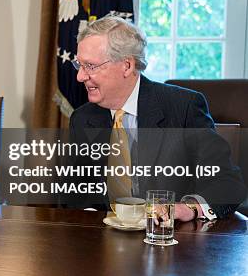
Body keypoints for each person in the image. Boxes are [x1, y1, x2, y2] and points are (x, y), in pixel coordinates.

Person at [67, 16, 246, 220]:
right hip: (103, 242)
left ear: (126, 66)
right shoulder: (82, 119)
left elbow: (228, 183)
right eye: (79, 65)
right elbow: (76, 192)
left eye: (90, 66)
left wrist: (188, 208)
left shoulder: (183, 107)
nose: (80, 77)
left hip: (170, 239)